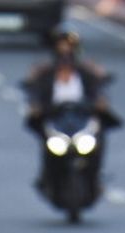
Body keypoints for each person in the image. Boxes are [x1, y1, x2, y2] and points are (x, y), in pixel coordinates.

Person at [24, 26, 116, 188]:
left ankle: (96, 175)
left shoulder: (87, 72)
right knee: (46, 140)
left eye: (68, 47)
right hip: (55, 116)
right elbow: (34, 91)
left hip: (82, 115)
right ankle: (46, 175)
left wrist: (100, 102)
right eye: (61, 47)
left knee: (99, 135)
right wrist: (35, 106)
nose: (65, 52)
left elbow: (99, 89)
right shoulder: (45, 73)